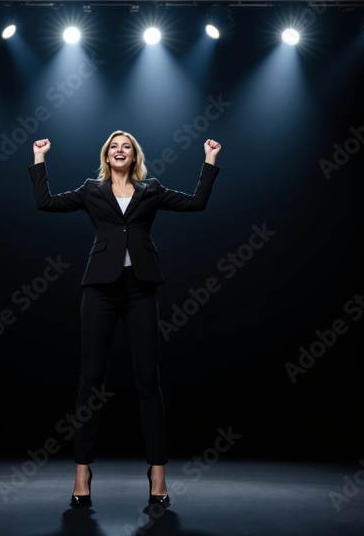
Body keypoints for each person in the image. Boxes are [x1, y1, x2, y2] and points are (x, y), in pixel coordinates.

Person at [27, 130, 222, 508]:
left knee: (149, 380)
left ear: (134, 157)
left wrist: (209, 160)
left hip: (141, 289)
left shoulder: (152, 190)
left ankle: (158, 473)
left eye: (126, 147)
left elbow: (196, 202)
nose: (120, 150)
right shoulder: (90, 190)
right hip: (99, 289)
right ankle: (82, 472)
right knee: (90, 380)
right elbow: (45, 202)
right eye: (114, 146)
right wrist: (39, 158)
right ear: (107, 156)